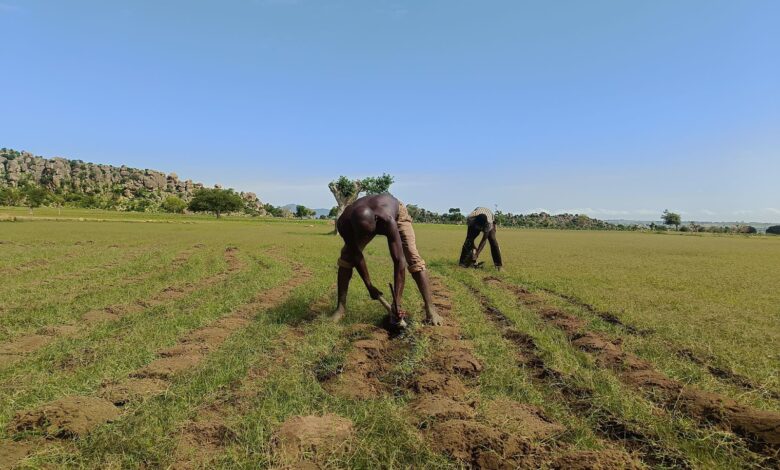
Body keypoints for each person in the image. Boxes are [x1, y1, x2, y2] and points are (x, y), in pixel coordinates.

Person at [332, 194, 443, 326]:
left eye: (369, 233)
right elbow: (356, 254)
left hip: (397, 214)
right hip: (364, 219)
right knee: (346, 257)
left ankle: (430, 309)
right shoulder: (344, 223)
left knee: (413, 258)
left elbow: (399, 260)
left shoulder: (387, 220)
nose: (367, 237)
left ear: (376, 221)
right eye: (362, 234)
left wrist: (397, 302)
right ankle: (340, 308)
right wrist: (369, 285)